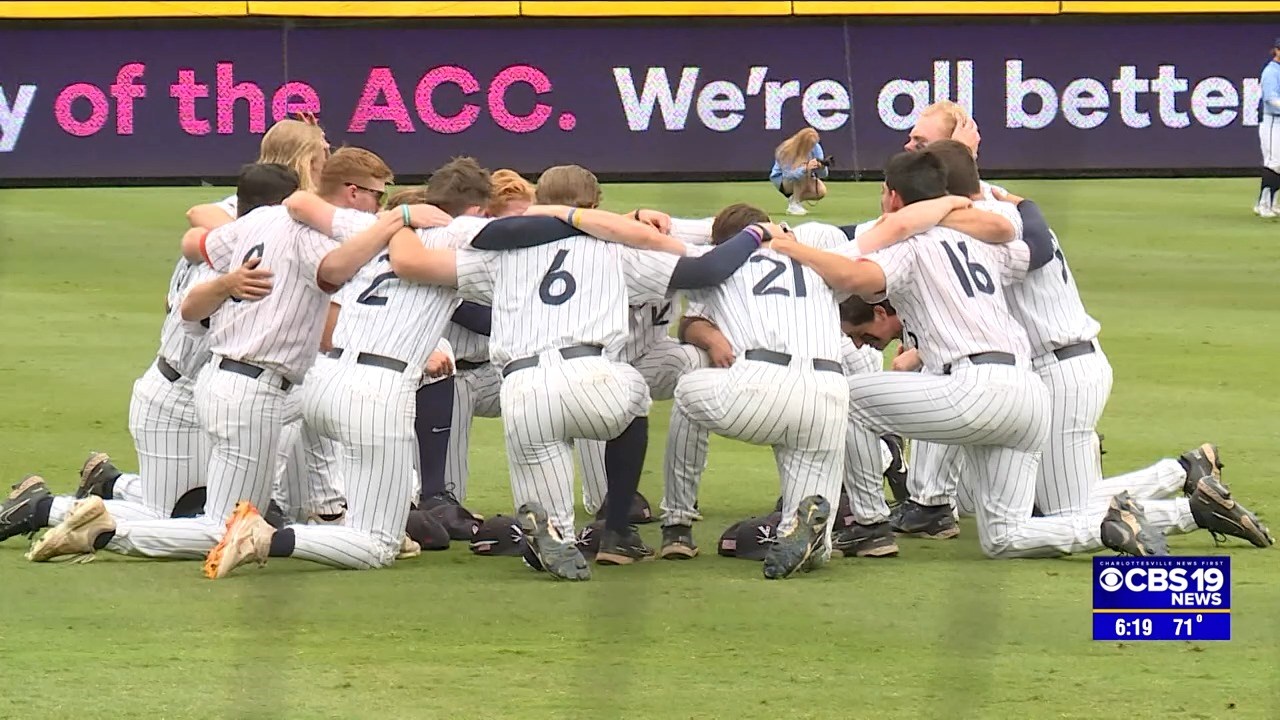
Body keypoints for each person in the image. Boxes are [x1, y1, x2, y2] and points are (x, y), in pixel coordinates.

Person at [774, 150, 1271, 559]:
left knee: (842, 396)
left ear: (894, 196)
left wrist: (792, 247)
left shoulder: (909, 245)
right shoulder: (986, 237)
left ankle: (869, 523)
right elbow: (1023, 237)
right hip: (1030, 395)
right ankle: (1145, 522)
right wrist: (956, 209)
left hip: (973, 389)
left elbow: (853, 279)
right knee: (1004, 536)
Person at [25, 148, 411, 570]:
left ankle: (324, 508)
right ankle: (104, 532)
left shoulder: (260, 219)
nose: (381, 203)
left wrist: (227, 281)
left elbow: (196, 253)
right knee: (226, 525)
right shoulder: (311, 236)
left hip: (221, 379)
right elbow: (334, 271)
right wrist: (396, 223)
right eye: (378, 195)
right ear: (352, 194)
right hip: (254, 385)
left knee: (225, 504)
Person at [448, 204, 770, 580]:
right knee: (627, 390)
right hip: (599, 370)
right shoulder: (625, 250)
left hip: (523, 384)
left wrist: (402, 218)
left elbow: (426, 262)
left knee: (551, 515)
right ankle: (618, 524)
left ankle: (552, 536)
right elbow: (709, 266)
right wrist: (757, 234)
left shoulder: (502, 255)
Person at [0, 163, 297, 544]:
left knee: (195, 505)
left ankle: (110, 482)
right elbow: (194, 311)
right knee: (174, 516)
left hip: (182, 387)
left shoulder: (225, 240)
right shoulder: (232, 259)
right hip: (176, 398)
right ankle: (43, 508)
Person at [770, 127, 829, 216]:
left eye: (813, 144)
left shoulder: (816, 147)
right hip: (783, 181)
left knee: (821, 191)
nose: (812, 147)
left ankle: (795, 200)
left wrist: (821, 167)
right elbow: (788, 175)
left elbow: (824, 175)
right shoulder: (786, 150)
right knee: (802, 174)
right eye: (809, 145)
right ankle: (794, 205)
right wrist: (805, 168)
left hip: (806, 178)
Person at [1255, 37, 1280, 218]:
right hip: (1273, 121)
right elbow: (1271, 99)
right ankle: (1263, 203)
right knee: (1274, 162)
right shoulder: (1271, 72)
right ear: (1277, 50)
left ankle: (1272, 202)